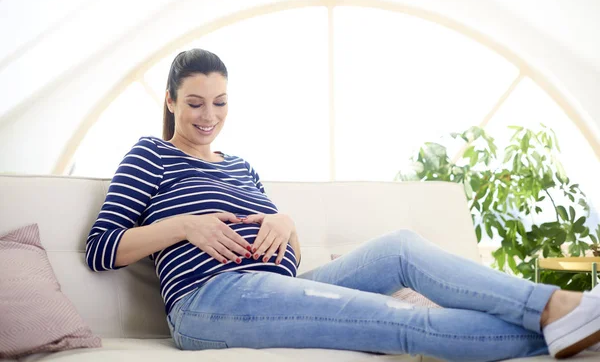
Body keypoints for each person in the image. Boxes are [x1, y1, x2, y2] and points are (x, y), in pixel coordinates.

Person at [85, 48, 600, 361]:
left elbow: (288, 250)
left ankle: (556, 310)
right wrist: (186, 226)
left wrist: (285, 223)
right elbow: (101, 247)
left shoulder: (241, 165)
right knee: (400, 321)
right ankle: (566, 324)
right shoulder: (150, 154)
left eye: (219, 103)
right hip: (209, 303)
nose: (208, 116)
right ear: (171, 101)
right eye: (195, 103)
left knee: (399, 247)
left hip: (277, 287)